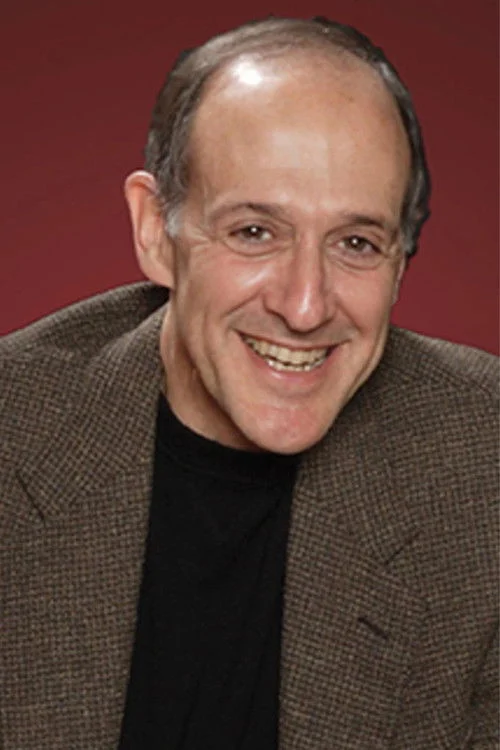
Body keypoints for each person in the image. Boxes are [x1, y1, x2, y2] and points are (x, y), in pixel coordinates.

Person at [0, 16, 497, 750]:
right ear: (155, 231)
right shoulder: (14, 430)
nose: (305, 306)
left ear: (399, 262)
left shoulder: (484, 462)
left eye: (356, 243)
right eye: (255, 232)